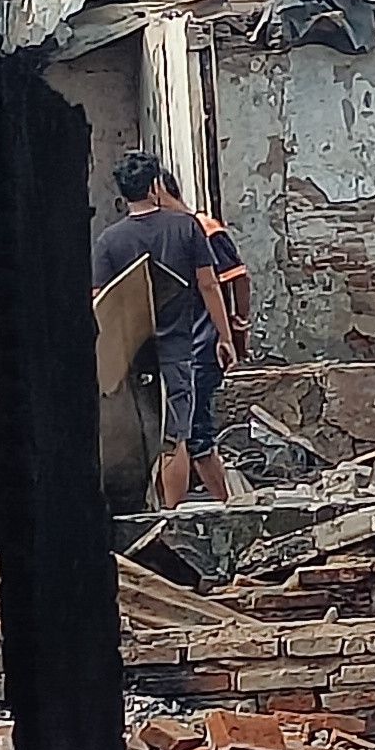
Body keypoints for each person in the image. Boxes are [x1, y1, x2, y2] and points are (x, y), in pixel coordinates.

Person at [93, 150, 240, 507]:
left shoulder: (109, 241)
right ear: (156, 185)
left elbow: (99, 301)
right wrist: (225, 335)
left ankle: (143, 505)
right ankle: (171, 515)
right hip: (178, 348)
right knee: (177, 436)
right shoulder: (185, 226)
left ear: (122, 193)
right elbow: (209, 284)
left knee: (140, 431)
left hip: (132, 353)